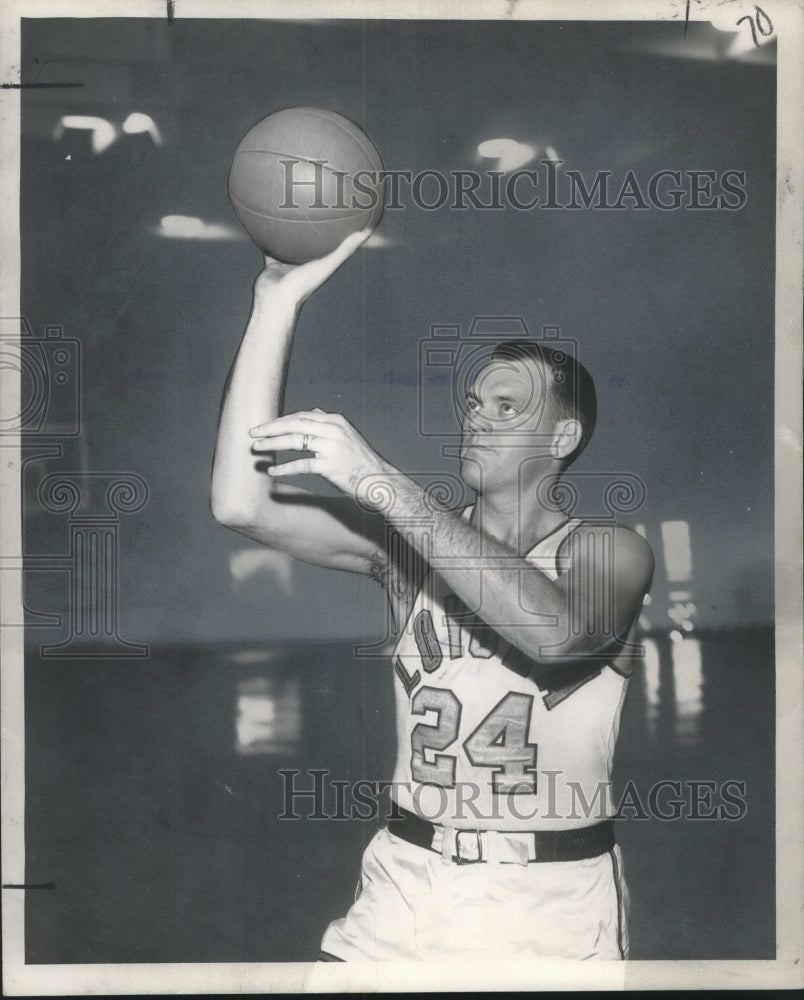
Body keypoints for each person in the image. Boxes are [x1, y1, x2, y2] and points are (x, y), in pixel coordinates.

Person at [211, 229, 655, 961]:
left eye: (507, 406)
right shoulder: (409, 555)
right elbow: (239, 501)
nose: (477, 415)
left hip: (549, 904)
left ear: (563, 435)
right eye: (475, 401)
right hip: (403, 891)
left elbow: (555, 633)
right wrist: (274, 306)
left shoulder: (610, 550)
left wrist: (376, 480)